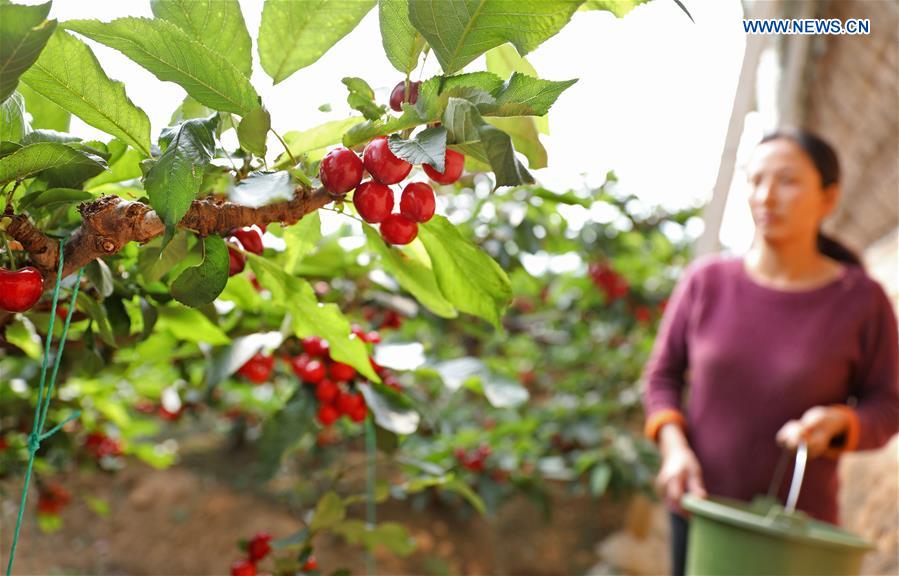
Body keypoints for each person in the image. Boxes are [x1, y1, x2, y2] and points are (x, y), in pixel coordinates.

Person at [641, 128, 899, 576]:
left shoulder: (861, 301)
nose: (766, 195)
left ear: (828, 197)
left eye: (787, 180)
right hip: (702, 515)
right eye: (755, 180)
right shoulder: (706, 284)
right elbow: (662, 378)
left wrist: (842, 422)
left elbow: (889, 404)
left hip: (798, 537)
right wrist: (674, 448)